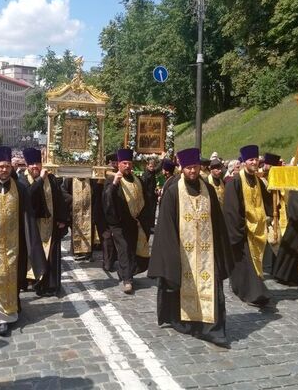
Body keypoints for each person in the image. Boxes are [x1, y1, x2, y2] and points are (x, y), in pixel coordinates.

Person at [148, 148, 234, 347]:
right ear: (182, 169)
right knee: (183, 286)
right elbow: (166, 227)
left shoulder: (208, 190)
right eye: (188, 168)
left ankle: (212, 328)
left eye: (195, 167)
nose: (192, 171)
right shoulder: (172, 191)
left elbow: (218, 222)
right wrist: (170, 257)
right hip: (183, 253)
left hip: (207, 252)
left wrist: (222, 252)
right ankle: (186, 321)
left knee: (211, 288)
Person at [0, 146, 45, 336]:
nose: (5, 170)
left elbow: (27, 218)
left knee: (11, 282)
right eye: (1, 166)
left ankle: (6, 318)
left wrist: (31, 246)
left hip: (14, 247)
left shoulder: (20, 188)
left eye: (7, 167)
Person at [223, 145, 273, 309]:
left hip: (257, 229)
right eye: (251, 159)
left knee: (252, 264)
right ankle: (255, 293)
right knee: (246, 264)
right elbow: (231, 209)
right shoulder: (235, 182)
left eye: (256, 158)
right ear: (244, 162)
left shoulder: (259, 181)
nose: (254, 161)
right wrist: (238, 230)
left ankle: (244, 288)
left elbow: (267, 202)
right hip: (242, 229)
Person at [19, 148, 68, 296]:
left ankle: (50, 285)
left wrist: (62, 218)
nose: (35, 166)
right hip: (31, 225)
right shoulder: (22, 179)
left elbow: (59, 198)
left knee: (51, 255)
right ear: (27, 165)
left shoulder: (51, 178)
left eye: (38, 163)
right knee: (33, 254)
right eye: (32, 164)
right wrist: (40, 180)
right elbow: (28, 196)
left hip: (50, 223)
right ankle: (34, 282)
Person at [103, 149, 151, 294]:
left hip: (133, 222)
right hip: (118, 222)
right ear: (119, 164)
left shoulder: (138, 180)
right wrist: (115, 184)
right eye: (124, 163)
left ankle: (125, 271)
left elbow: (145, 200)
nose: (127, 166)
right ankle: (127, 281)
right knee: (124, 248)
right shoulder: (112, 179)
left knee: (132, 249)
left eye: (129, 163)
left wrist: (143, 220)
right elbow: (106, 200)